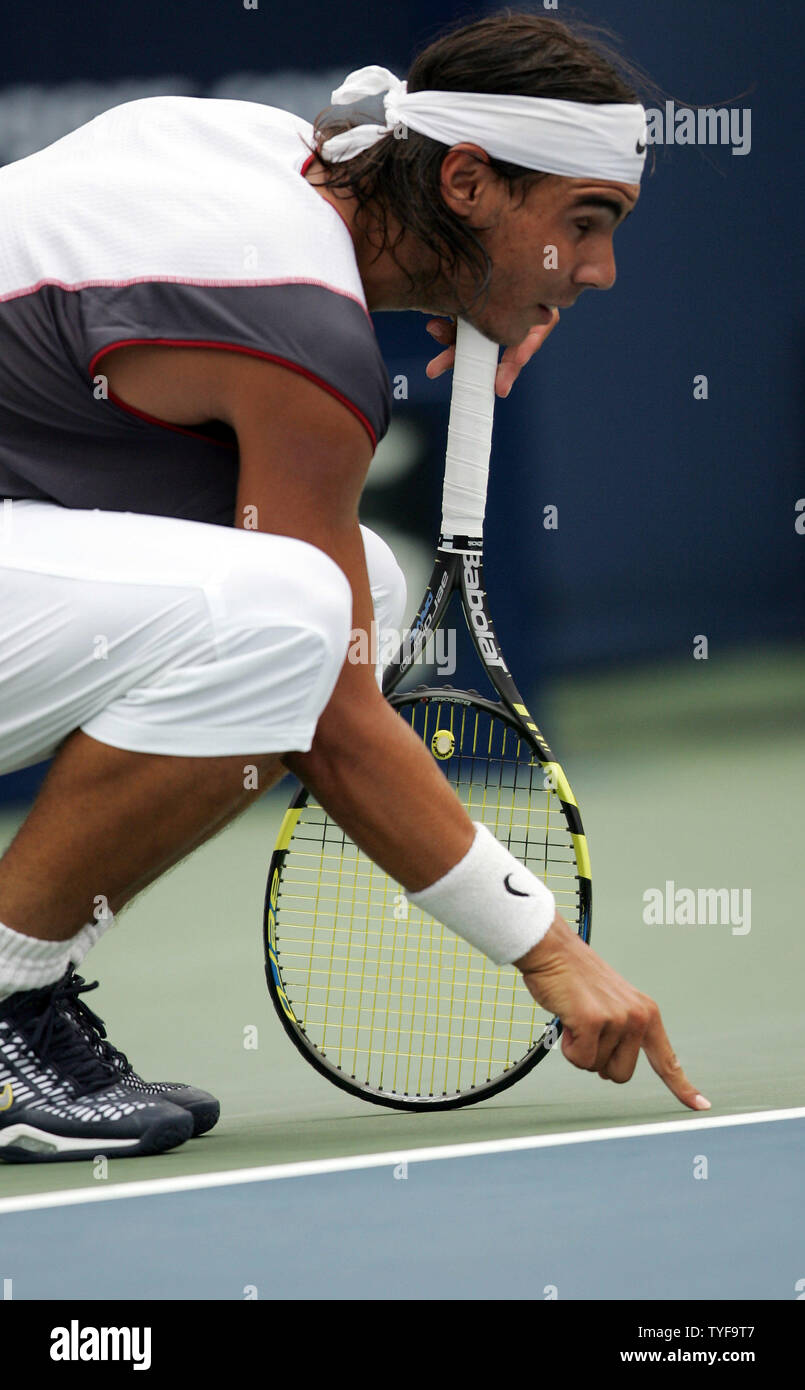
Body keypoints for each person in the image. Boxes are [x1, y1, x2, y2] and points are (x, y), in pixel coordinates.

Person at [0, 11, 709, 1163]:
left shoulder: (265, 157)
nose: (598, 272)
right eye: (583, 225)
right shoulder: (294, 326)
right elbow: (328, 711)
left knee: (345, 580)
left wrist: (454, 285)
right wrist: (547, 949)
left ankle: (14, 997)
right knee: (295, 613)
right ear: (468, 181)